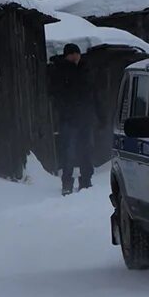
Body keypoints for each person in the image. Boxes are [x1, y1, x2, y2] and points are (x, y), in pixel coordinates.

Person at [49, 43, 100, 195]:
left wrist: (98, 114)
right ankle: (67, 183)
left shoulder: (86, 69)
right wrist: (66, 110)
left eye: (76, 53)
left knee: (86, 150)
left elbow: (93, 93)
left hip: (86, 117)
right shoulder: (60, 71)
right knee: (69, 151)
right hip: (69, 118)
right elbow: (57, 95)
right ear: (67, 56)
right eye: (71, 54)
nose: (75, 56)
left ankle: (86, 180)